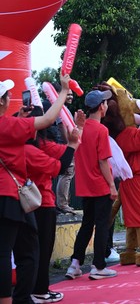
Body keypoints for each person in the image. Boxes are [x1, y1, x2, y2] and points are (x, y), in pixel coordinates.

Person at [0, 73, 72, 304]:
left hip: (15, 197)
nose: (10, 98)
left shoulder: (10, 125)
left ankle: (22, 298)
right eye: (7, 95)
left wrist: (19, 118)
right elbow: (48, 119)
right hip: (9, 196)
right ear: (1, 101)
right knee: (12, 252)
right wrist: (63, 91)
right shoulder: (7, 126)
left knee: (26, 250)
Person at [24, 106, 83, 303]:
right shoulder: (36, 149)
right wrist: (75, 136)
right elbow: (62, 164)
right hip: (41, 203)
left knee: (30, 252)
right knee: (41, 250)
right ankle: (39, 290)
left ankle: (35, 290)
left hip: (24, 204)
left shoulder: (19, 146)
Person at [65, 89, 118, 281]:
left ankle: (75, 264)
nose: (106, 105)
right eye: (105, 102)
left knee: (87, 225)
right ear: (101, 107)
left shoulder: (79, 128)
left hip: (84, 185)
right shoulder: (101, 130)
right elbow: (103, 161)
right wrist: (112, 185)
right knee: (102, 225)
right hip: (100, 185)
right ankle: (98, 266)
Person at [54, 86, 76, 214]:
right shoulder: (60, 108)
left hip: (67, 145)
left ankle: (63, 203)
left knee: (68, 174)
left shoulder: (64, 108)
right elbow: (62, 126)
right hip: (65, 146)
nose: (70, 97)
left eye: (71, 94)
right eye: (68, 94)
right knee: (67, 173)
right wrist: (69, 144)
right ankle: (62, 204)